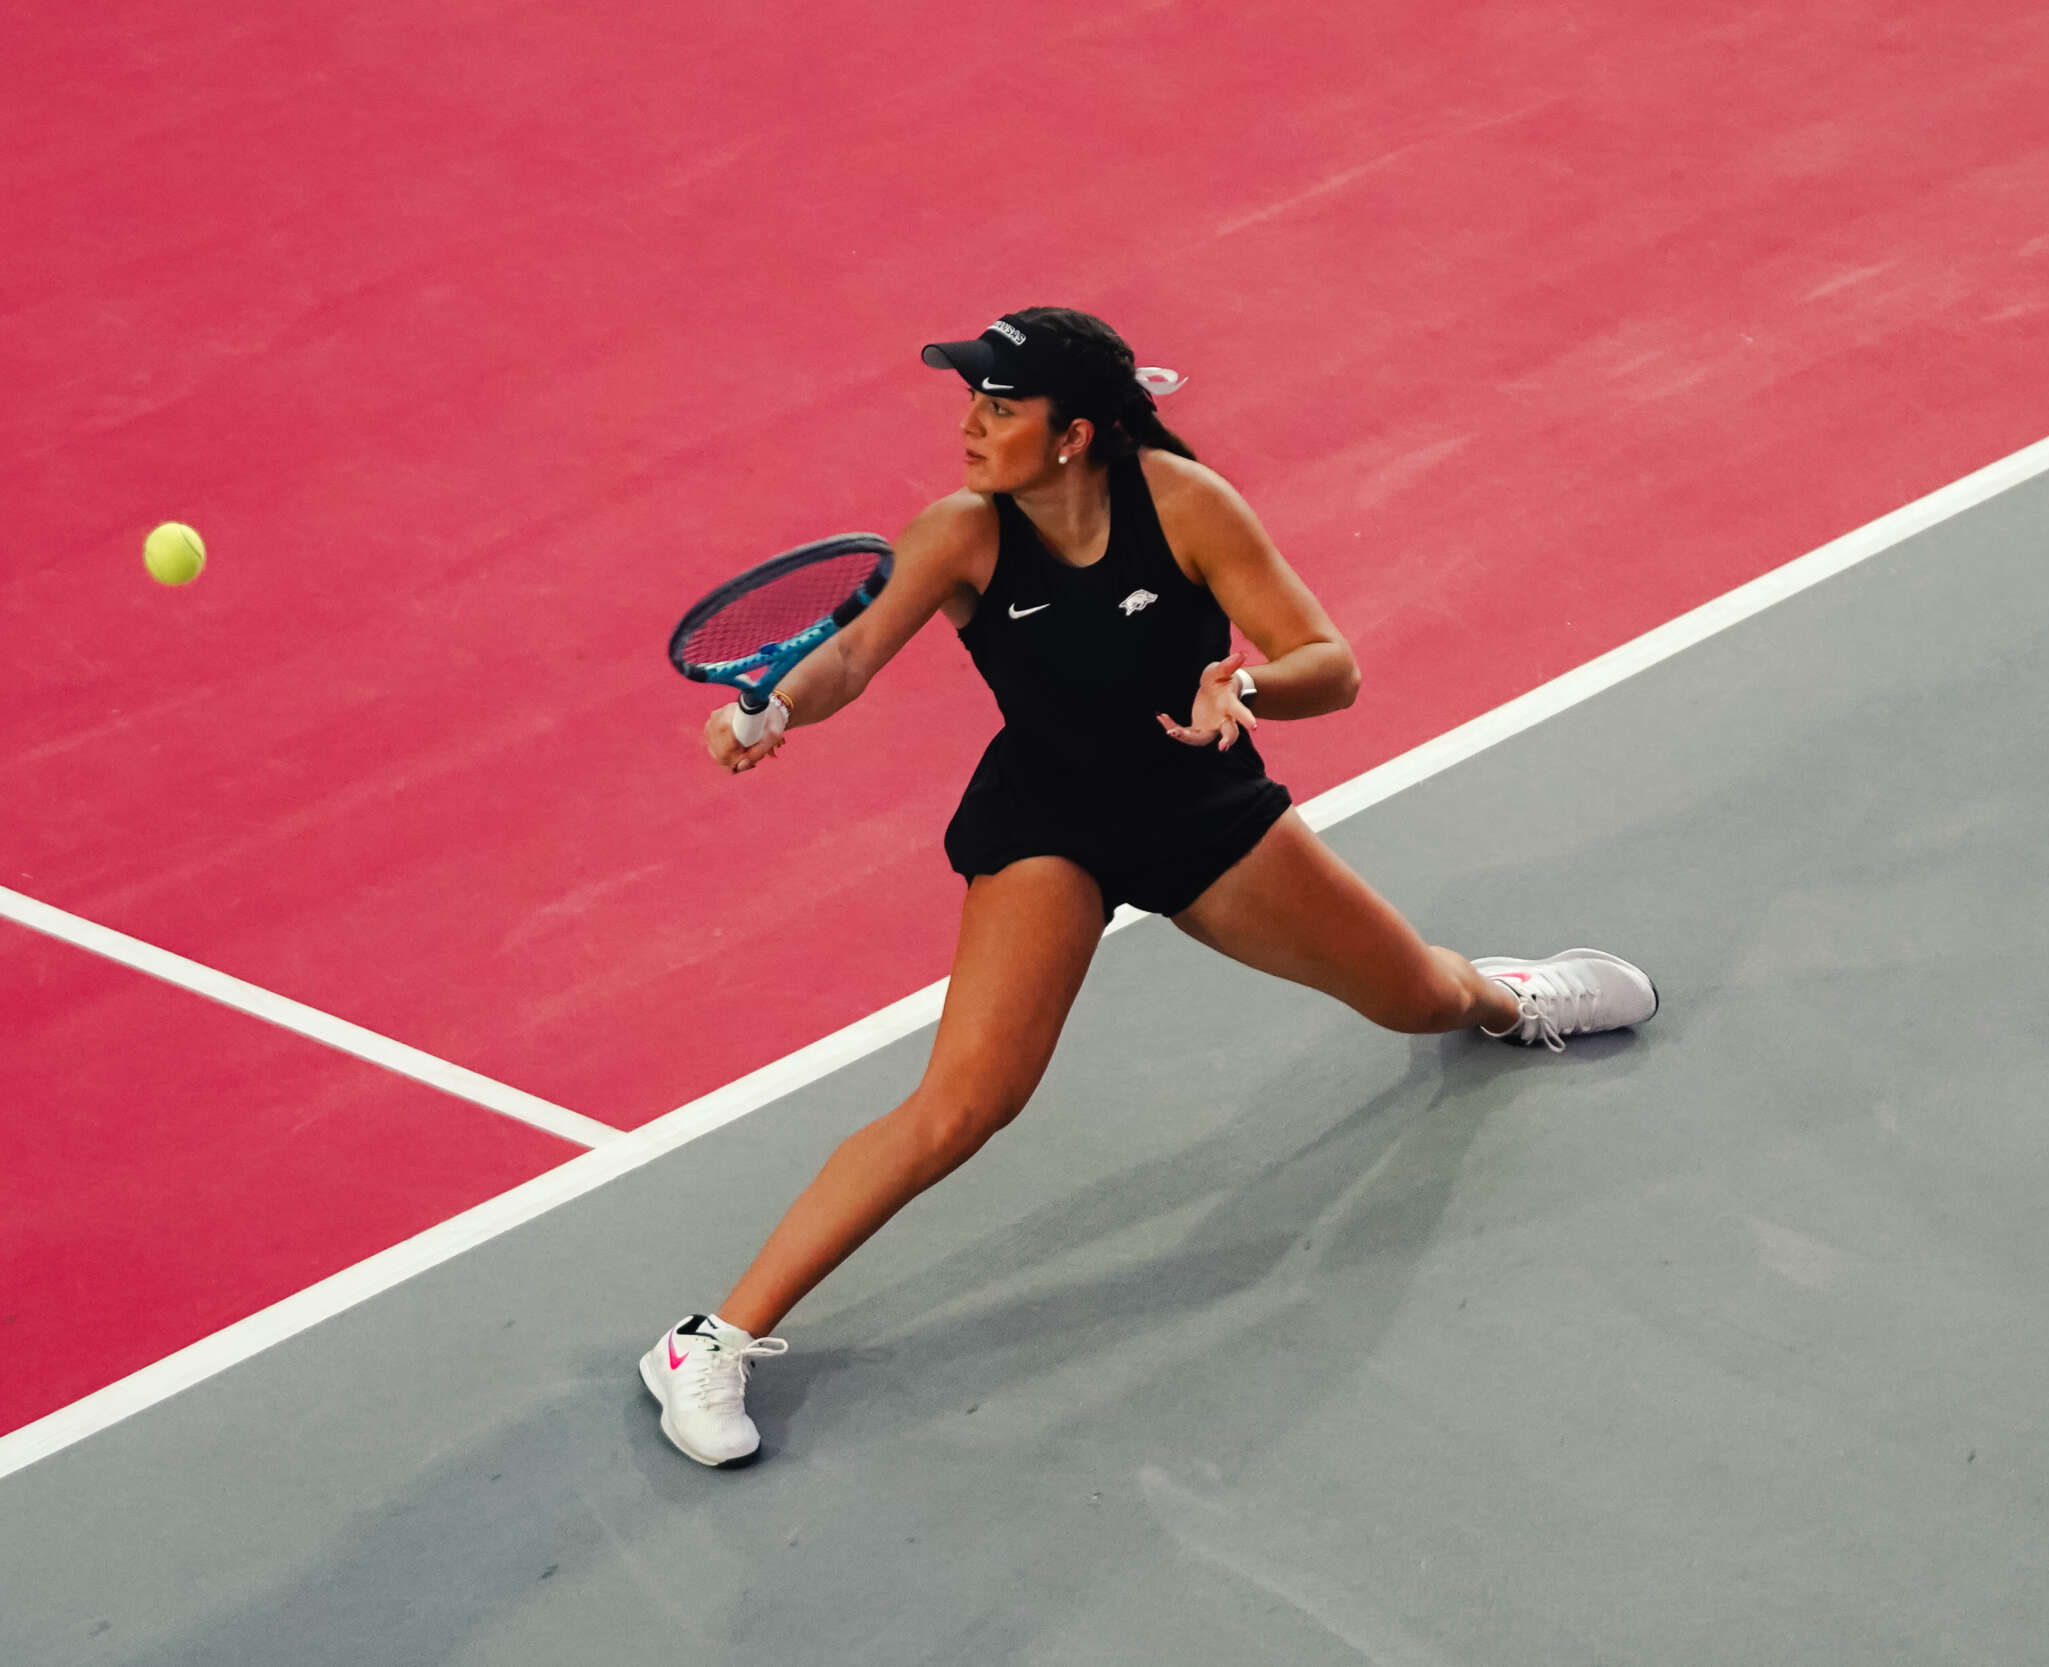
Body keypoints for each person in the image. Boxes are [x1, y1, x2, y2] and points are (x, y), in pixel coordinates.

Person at [639, 307, 1656, 1467]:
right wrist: (772, 706)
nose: (969, 424)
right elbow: (851, 656)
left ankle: (1508, 998)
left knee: (1418, 997)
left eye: (999, 406)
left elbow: (1330, 665)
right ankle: (707, 1340)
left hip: (1196, 813)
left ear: (1073, 433)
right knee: (964, 1103)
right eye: (970, 399)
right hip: (1048, 827)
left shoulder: (1184, 505)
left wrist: (1250, 692)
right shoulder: (961, 531)